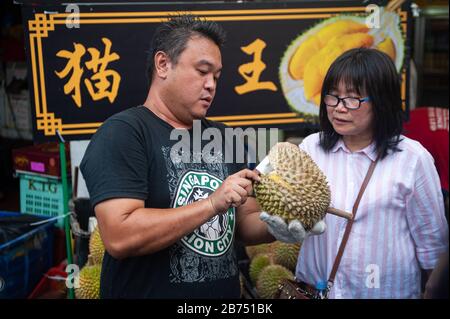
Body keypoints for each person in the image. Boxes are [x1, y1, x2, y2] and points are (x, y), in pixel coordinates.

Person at [80, 14, 310, 299]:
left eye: (216, 75)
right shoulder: (124, 134)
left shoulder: (226, 138)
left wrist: (280, 227)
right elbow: (120, 235)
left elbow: (243, 222)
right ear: (163, 64)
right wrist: (212, 203)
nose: (212, 84)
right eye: (202, 71)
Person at [264, 48, 449, 298]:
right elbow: (271, 194)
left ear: (382, 101)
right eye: (333, 96)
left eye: (353, 98)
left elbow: (432, 248)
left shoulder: (413, 159)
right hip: (318, 292)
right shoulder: (310, 149)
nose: (339, 108)